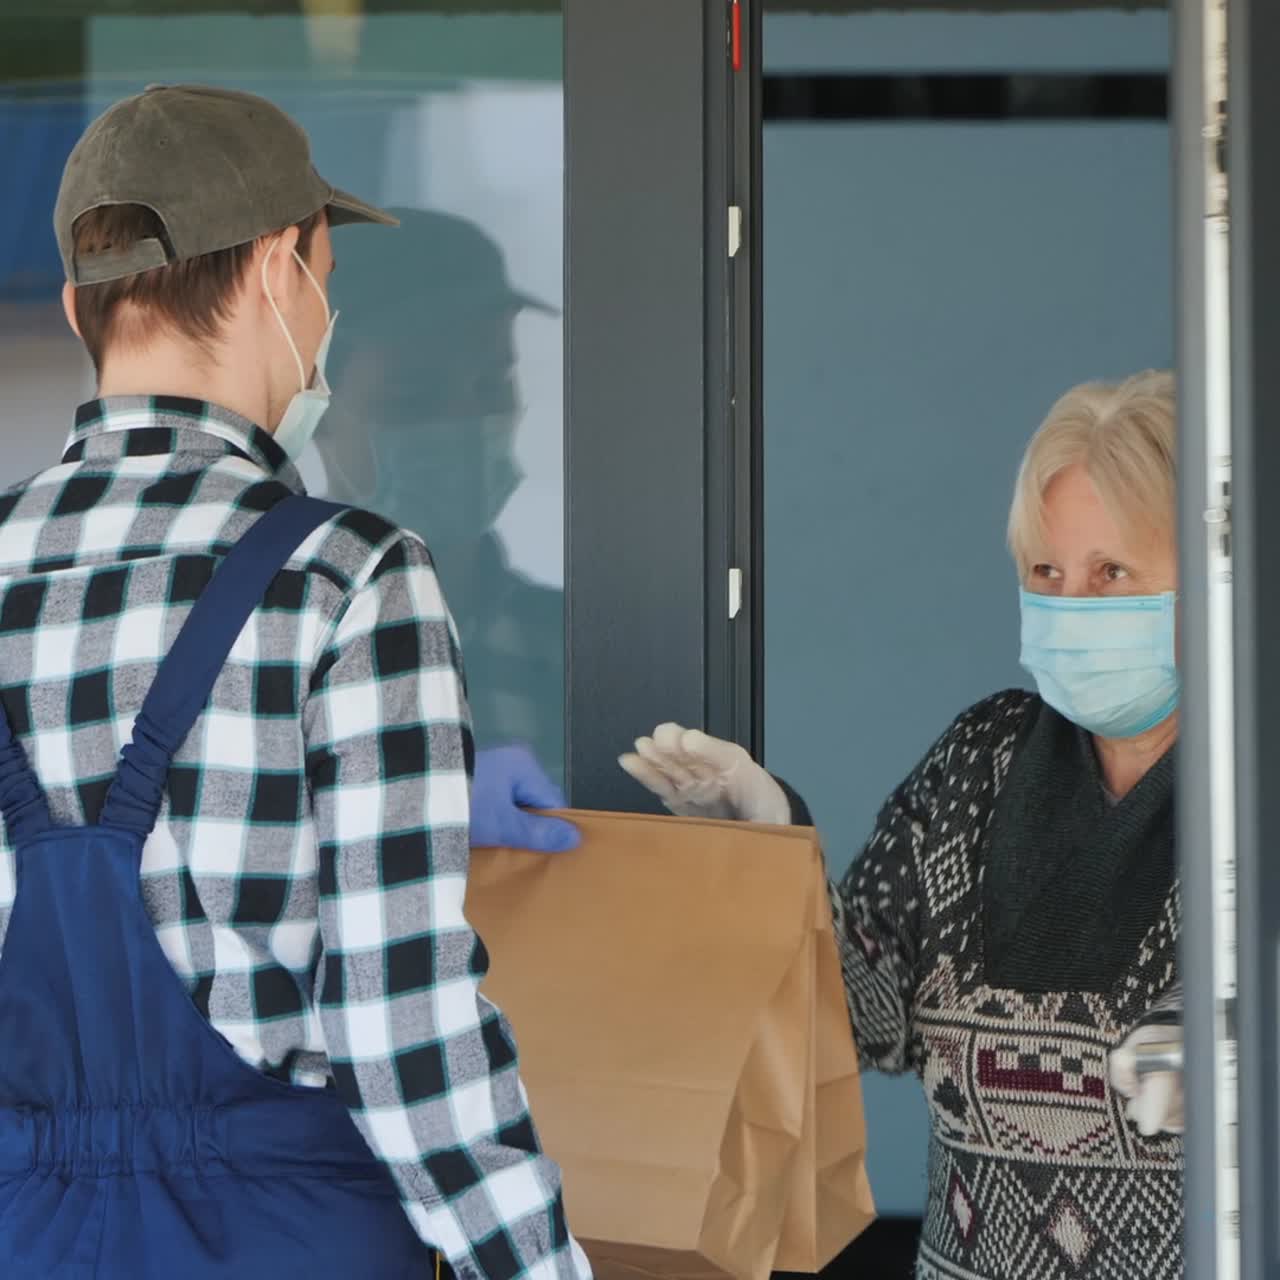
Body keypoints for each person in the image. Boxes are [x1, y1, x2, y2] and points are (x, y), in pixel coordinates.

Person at [0, 83, 588, 1279]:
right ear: (280, 268)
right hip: (282, 1235)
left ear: (78, 308)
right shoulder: (347, 576)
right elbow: (402, 1030)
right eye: (325, 275)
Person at [621, 371, 1183, 1280]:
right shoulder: (983, 760)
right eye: (1048, 572)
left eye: (1111, 572)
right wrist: (773, 854)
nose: (1072, 605)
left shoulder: (1250, 782)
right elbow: (867, 1018)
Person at [313, 207, 566, 786]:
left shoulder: (571, 649)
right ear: (317, 411)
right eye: (414, 398)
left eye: (490, 384)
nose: (468, 421)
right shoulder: (273, 645)